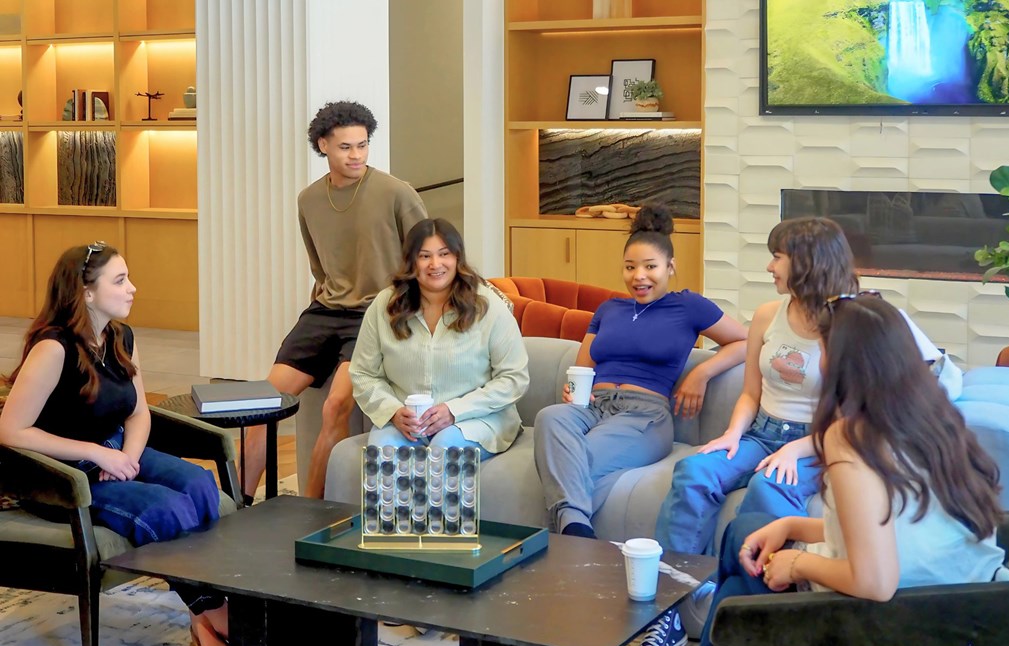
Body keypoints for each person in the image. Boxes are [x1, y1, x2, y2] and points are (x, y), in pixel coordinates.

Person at [688, 293, 1009, 646]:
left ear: (841, 359)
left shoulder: (851, 435)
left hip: (900, 633)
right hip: (971, 620)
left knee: (739, 581)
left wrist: (799, 562)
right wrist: (793, 527)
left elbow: (875, 581)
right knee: (750, 536)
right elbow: (900, 527)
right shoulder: (932, 416)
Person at [629, 216, 858, 646]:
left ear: (807, 263)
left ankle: (756, 628)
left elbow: (854, 411)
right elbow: (751, 392)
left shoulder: (850, 324)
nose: (770, 266)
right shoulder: (767, 316)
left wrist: (801, 448)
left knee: (765, 495)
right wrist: (732, 434)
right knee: (695, 471)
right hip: (759, 431)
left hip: (815, 444)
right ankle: (672, 615)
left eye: (778, 256)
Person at [0, 242, 231, 646]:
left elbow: (140, 412)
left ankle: (202, 619)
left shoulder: (121, 336)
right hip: (61, 475)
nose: (133, 289)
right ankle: (216, 614)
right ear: (86, 292)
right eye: (120, 280)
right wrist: (97, 455)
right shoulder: (53, 348)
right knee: (166, 509)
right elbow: (11, 431)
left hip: (114, 453)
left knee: (200, 484)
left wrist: (127, 457)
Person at [243, 100, 427, 502]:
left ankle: (310, 509)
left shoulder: (397, 193)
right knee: (258, 406)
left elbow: (428, 259)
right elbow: (320, 268)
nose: (356, 154)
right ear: (323, 145)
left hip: (377, 313)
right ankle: (236, 506)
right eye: (346, 147)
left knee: (336, 406)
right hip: (324, 312)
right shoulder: (309, 200)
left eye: (362, 145)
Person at [533, 204, 748, 540]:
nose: (639, 276)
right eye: (630, 267)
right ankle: (576, 532)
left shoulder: (688, 306)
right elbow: (582, 365)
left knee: (576, 459)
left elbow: (747, 341)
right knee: (549, 418)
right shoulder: (609, 309)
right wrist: (572, 389)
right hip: (593, 407)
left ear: (670, 267)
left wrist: (701, 373)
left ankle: (572, 535)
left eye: (650, 267)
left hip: (643, 416)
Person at [348, 217, 529, 461]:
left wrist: (454, 411)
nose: (435, 264)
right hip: (409, 424)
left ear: (457, 258)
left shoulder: (487, 305)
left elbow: (514, 378)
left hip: (476, 420)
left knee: (444, 448)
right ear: (411, 261)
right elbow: (363, 374)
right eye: (424, 256)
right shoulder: (385, 305)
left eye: (444, 254)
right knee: (384, 454)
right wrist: (392, 411)